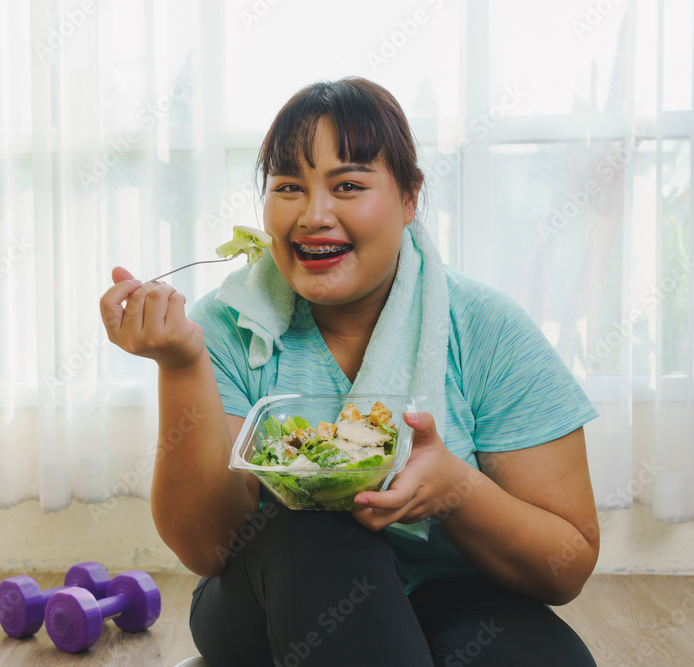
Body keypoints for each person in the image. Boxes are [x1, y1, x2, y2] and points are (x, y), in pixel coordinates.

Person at [99, 77, 600, 666]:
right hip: (274, 596)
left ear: (410, 198)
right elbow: (206, 547)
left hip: (456, 595)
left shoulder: (487, 329)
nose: (314, 215)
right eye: (289, 187)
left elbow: (564, 568)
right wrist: (182, 365)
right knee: (319, 525)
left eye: (348, 186)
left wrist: (455, 490)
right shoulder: (223, 328)